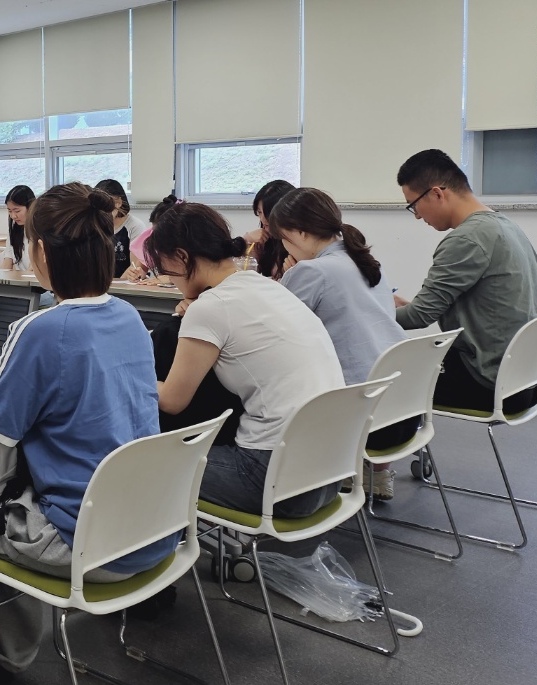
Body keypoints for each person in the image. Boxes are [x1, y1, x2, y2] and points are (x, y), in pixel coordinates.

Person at [0, 183, 166, 685]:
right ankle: (9, 650)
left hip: (84, 541)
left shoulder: (41, 328)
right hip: (150, 529)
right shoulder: (128, 316)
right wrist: (6, 379)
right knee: (14, 497)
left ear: (40, 251)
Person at [149, 203, 346, 518]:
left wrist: (127, 376)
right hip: (332, 473)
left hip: (273, 481)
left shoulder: (211, 307)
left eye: (165, 268)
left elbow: (172, 401)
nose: (169, 279)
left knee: (141, 464)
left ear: (181, 257)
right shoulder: (266, 285)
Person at [270, 188, 411, 500]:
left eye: (283, 237)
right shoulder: (366, 261)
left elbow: (271, 333)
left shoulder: (312, 270)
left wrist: (289, 278)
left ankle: (304, 477)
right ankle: (373, 474)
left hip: (359, 420)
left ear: (299, 233)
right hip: (402, 410)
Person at [394, 149, 537, 415]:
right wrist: (405, 307)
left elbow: (418, 318)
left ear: (436, 194)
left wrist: (368, 311)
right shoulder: (505, 226)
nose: (417, 216)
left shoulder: (467, 239)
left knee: (378, 379)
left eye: (413, 205)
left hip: (487, 383)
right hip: (526, 380)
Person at [232, 180, 294, 279]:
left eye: (268, 212)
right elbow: (241, 272)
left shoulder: (295, 243)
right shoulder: (263, 239)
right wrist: (247, 240)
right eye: (260, 212)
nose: (263, 219)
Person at [95, 178, 145, 277]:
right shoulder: (94, 225)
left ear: (118, 202)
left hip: (125, 283)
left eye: (105, 206)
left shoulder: (135, 226)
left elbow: (135, 267)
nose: (101, 212)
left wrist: (116, 284)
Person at [0, 184, 36, 272]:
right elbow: (8, 259)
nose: (13, 216)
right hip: (21, 277)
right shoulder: (14, 229)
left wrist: (25, 277)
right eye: (9, 211)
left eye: (17, 211)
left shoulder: (40, 229)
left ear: (30, 207)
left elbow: (35, 265)